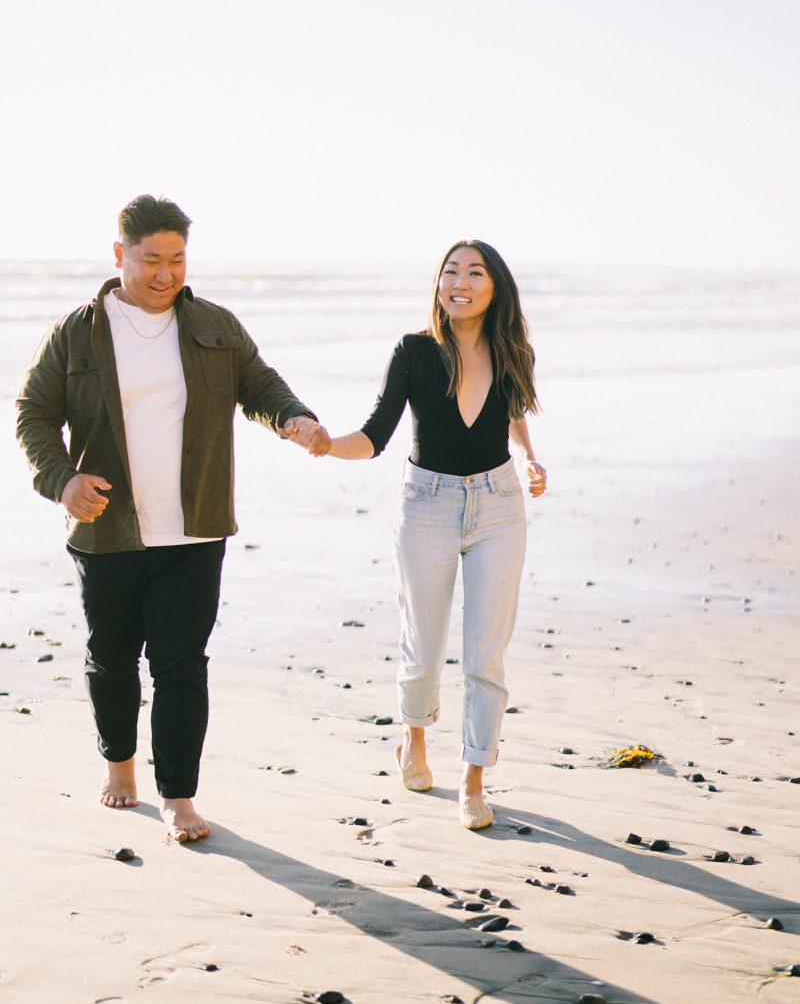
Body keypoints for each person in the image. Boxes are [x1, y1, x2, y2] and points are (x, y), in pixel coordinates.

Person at [15, 195, 329, 842]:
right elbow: (33, 414)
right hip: (107, 530)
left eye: (177, 260)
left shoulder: (215, 325)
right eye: (150, 260)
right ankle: (120, 766)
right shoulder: (77, 330)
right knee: (111, 657)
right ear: (119, 254)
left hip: (195, 529)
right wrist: (63, 481)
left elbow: (261, 386)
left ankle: (178, 796)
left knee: (181, 663)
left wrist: (292, 417)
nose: (164, 274)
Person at [320, 240, 546, 829]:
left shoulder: (511, 351)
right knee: (423, 644)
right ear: (438, 284)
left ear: (495, 286)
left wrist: (527, 458)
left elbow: (514, 411)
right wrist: (325, 443)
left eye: (474, 272)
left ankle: (474, 778)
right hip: (426, 505)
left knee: (485, 654)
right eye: (450, 272)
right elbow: (374, 434)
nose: (460, 282)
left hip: (498, 505)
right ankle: (413, 740)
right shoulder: (414, 351)